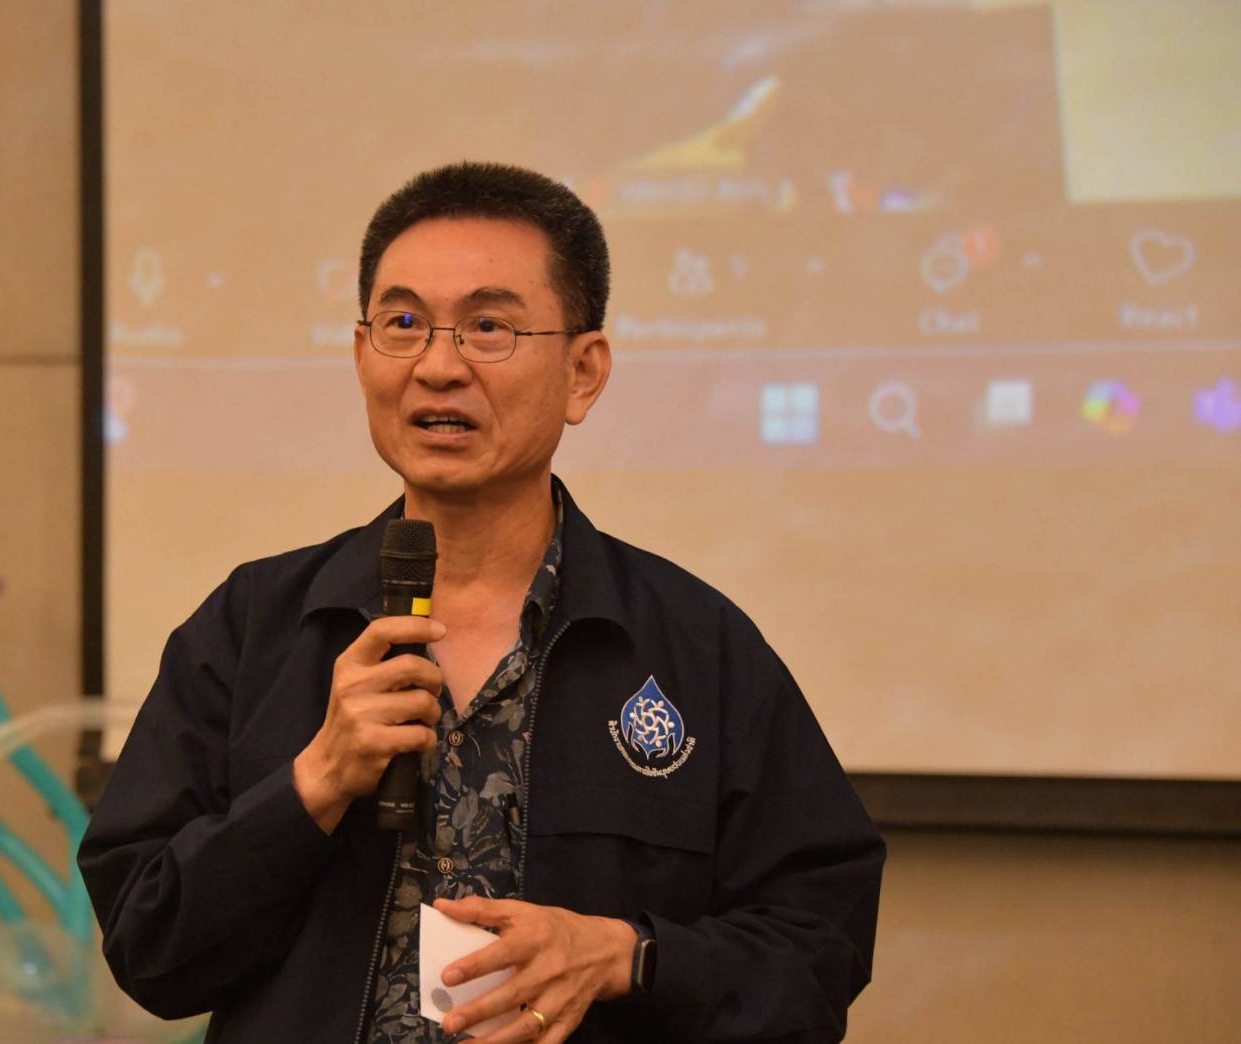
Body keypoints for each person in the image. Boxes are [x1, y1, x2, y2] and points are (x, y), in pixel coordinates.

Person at [78, 162, 884, 1043]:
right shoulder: (251, 628)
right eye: (403, 325)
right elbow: (146, 945)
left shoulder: (697, 647)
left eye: (488, 327)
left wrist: (628, 956)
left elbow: (819, 953)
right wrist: (313, 784)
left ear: (584, 372)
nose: (437, 367)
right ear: (361, 356)